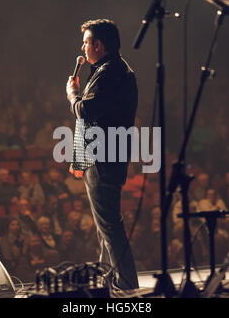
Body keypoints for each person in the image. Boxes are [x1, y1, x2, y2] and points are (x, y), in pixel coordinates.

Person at [65, 19, 139, 290]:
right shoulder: (111, 69)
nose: (83, 46)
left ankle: (126, 284)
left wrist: (73, 95)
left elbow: (86, 111)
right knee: (104, 226)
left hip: (104, 158)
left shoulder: (111, 72)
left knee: (110, 226)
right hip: (104, 156)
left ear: (99, 45)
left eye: (86, 41)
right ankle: (108, 280)